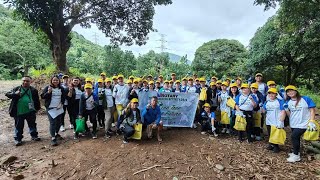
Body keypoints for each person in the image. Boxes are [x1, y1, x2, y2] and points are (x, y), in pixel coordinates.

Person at [6, 76, 41, 146]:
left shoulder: (33, 90)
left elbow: (37, 100)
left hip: (30, 111)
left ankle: (34, 136)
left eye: (27, 81)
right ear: (22, 81)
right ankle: (18, 139)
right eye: (24, 80)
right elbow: (7, 94)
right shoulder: (16, 89)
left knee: (32, 124)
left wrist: (37, 109)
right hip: (19, 112)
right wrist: (15, 94)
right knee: (18, 126)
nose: (25, 82)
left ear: (30, 82)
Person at [284, 85, 316, 162]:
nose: (290, 92)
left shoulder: (305, 99)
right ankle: (296, 152)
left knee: (294, 136)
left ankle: (296, 156)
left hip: (304, 123)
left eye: (291, 90)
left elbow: (312, 110)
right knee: (296, 138)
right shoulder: (288, 102)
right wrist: (286, 109)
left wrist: (312, 121)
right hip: (294, 123)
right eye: (288, 91)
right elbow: (290, 115)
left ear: (296, 91)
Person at [41, 75, 67, 146]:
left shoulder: (61, 88)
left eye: (57, 80)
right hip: (50, 108)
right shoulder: (48, 87)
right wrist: (48, 92)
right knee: (52, 122)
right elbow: (42, 96)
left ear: (59, 81)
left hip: (58, 107)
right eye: (54, 80)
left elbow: (63, 97)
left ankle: (56, 133)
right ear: (51, 81)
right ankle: (53, 138)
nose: (55, 81)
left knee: (58, 122)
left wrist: (61, 103)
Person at [263, 88, 286, 153]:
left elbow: (283, 111)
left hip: (277, 120)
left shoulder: (280, 101)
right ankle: (271, 144)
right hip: (269, 120)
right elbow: (264, 110)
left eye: (273, 93)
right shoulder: (267, 101)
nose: (271, 95)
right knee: (270, 133)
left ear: (276, 94)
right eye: (270, 93)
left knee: (276, 134)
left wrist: (281, 121)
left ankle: (276, 147)